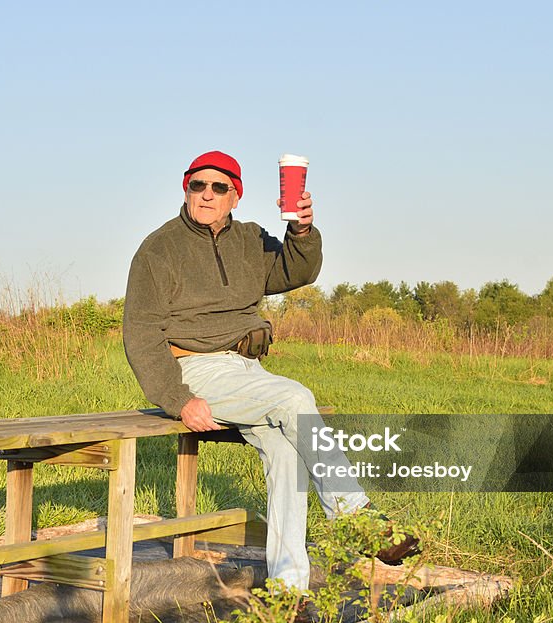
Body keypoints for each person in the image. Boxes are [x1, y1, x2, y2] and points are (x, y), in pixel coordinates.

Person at [123, 150, 418, 591]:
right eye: (196, 186)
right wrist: (178, 399)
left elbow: (294, 271)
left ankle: (287, 590)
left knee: (285, 453)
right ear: (186, 191)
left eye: (218, 187)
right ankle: (356, 517)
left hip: (245, 370)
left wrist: (301, 229)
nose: (206, 195)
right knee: (295, 397)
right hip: (193, 369)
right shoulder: (159, 248)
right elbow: (141, 331)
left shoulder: (249, 239)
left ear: (235, 196)